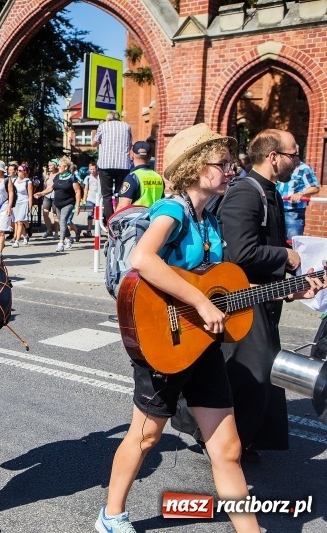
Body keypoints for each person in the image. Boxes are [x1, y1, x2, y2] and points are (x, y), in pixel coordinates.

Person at [96, 124, 266, 533]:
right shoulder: (172, 210)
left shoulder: (210, 219)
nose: (230, 170)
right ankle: (111, 516)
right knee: (146, 437)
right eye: (221, 164)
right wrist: (201, 302)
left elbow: (210, 279)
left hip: (201, 344)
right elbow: (144, 259)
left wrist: (281, 289)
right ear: (195, 167)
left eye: (230, 164)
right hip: (163, 340)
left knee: (227, 447)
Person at [217, 129, 318, 459]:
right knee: (254, 376)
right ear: (273, 157)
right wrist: (284, 256)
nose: (298, 161)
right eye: (293, 154)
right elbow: (240, 253)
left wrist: (293, 270)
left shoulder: (267, 191)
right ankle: (223, 443)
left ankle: (241, 442)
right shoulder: (246, 193)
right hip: (240, 302)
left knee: (261, 375)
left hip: (263, 297)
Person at [92, 110, 132, 224]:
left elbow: (93, 143)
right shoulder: (127, 126)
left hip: (106, 165)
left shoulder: (102, 126)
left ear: (108, 118)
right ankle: (121, 220)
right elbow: (129, 145)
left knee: (107, 195)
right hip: (123, 165)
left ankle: (110, 222)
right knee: (122, 194)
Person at [35, 157, 79, 252]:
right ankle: (69, 238)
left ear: (66, 167)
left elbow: (78, 191)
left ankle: (60, 243)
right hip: (58, 203)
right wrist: (41, 193)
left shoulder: (72, 177)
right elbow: (51, 188)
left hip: (68, 203)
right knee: (62, 222)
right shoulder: (57, 177)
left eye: (60, 166)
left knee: (63, 220)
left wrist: (78, 206)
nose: (58, 167)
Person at [276, 159, 320, 240]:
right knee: (277, 242)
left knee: (293, 243)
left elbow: (315, 188)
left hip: (294, 213)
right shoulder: (280, 167)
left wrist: (301, 193)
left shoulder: (304, 168)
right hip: (277, 210)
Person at [116, 141, 165, 210]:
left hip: (136, 219)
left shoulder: (132, 178)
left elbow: (122, 206)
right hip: (155, 219)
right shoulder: (158, 177)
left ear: (132, 154)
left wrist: (113, 220)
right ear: (150, 156)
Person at [10, 164, 33, 247]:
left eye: (20, 170)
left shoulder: (28, 182)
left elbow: (30, 196)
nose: (18, 172)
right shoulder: (14, 180)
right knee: (16, 221)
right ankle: (25, 235)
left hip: (24, 203)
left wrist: (29, 207)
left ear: (25, 172)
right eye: (17, 170)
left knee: (19, 222)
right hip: (16, 203)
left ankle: (16, 241)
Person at [40, 159, 60, 238]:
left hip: (55, 196)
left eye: (51, 165)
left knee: (55, 215)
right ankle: (49, 230)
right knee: (45, 213)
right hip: (47, 196)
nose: (49, 167)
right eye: (49, 165)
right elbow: (45, 186)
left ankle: (56, 232)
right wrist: (45, 180)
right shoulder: (48, 174)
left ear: (55, 166)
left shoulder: (58, 175)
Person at [82, 162, 102, 237]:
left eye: (94, 169)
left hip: (99, 198)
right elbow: (86, 189)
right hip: (90, 198)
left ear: (96, 169)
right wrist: (84, 199)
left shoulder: (100, 177)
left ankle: (100, 230)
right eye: (91, 169)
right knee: (90, 214)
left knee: (100, 214)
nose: (92, 171)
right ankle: (89, 230)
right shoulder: (88, 178)